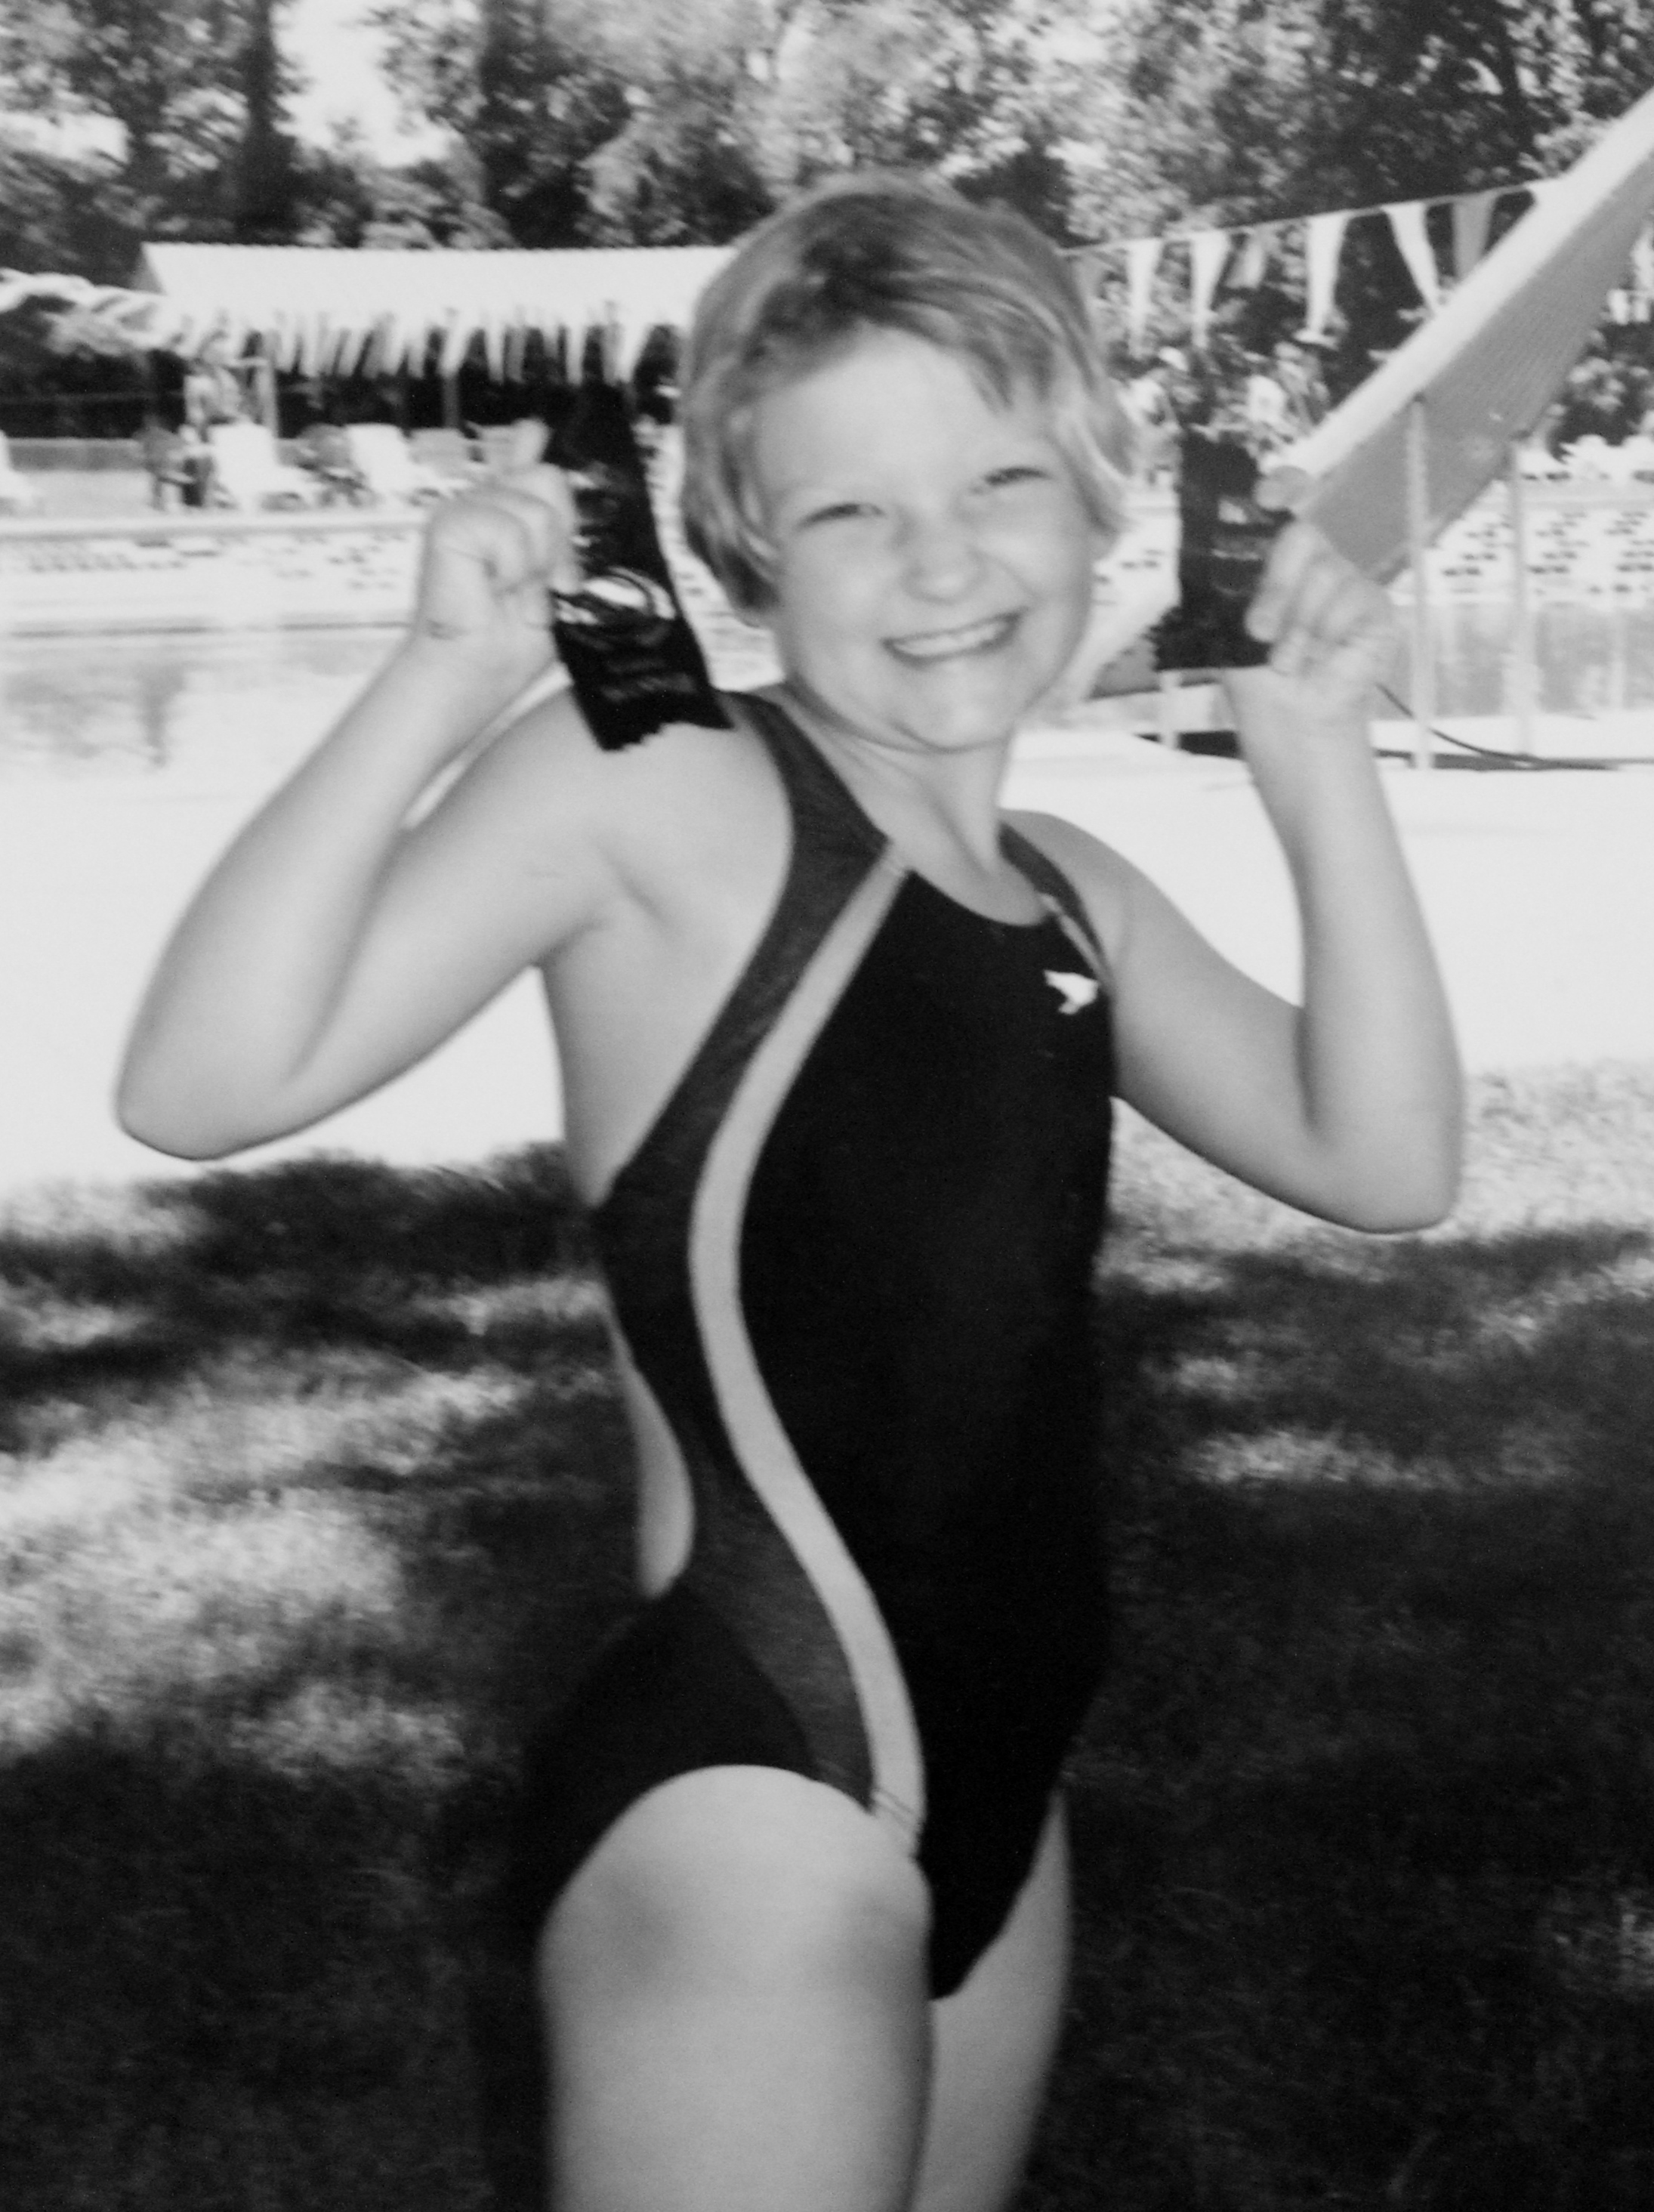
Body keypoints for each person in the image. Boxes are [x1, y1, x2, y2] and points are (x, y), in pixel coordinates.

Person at [116, 172, 1461, 2212]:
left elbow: (1385, 1161)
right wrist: (441, 684)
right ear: (748, 546)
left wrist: (1319, 761)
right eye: (848, 510)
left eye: (1001, 479)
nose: (942, 561)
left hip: (1003, 1792)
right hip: (758, 1797)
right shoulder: (678, 783)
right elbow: (201, 1082)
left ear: (1103, 502)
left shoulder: (1074, 896)